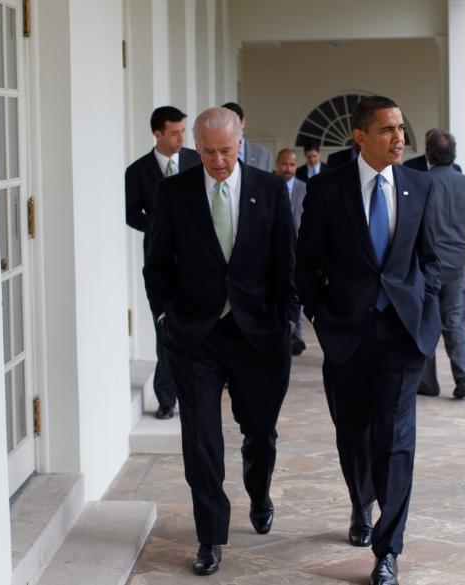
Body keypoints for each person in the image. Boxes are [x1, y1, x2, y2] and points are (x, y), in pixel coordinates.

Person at [143, 107, 296, 577]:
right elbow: (156, 263)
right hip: (196, 336)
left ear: (240, 140)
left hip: (257, 336)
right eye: (207, 151)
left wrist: (287, 321)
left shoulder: (269, 191)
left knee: (260, 433)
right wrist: (166, 317)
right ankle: (210, 535)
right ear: (196, 146)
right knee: (202, 439)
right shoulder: (174, 192)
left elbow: (286, 263)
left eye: (225, 151)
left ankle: (260, 491)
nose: (217, 161)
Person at [296, 96, 441, 585]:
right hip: (347, 336)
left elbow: (432, 260)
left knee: (396, 439)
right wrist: (320, 315)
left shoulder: (420, 186)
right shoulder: (327, 191)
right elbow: (306, 265)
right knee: (352, 433)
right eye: (387, 130)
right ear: (360, 137)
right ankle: (361, 504)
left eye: (401, 128)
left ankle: (387, 550)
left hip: (402, 334)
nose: (399, 138)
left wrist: (428, 313)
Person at [125, 106, 201, 419]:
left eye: (183, 130)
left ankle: (198, 393)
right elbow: (130, 214)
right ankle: (167, 399)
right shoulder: (137, 171)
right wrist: (159, 227)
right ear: (158, 134)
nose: (182, 137)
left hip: (199, 260)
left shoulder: (197, 161)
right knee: (165, 328)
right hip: (160, 262)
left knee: (199, 327)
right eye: (175, 132)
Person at [414, 130, 465, 399]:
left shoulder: (420, 182)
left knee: (426, 321)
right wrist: (464, 255)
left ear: (428, 152)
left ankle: (427, 382)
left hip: (426, 266)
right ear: (453, 153)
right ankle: (463, 375)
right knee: (455, 321)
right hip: (455, 266)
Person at [275, 148, 309, 355]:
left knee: (296, 294)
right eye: (284, 164)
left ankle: (295, 334)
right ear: (277, 164)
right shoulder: (268, 185)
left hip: (297, 251)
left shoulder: (304, 188)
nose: (288, 168)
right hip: (275, 250)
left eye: (292, 164)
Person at [220, 102, 273, 171]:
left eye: (234, 123)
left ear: (243, 122)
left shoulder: (264, 155)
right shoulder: (209, 153)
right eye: (226, 123)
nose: (230, 128)